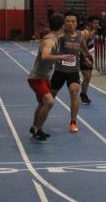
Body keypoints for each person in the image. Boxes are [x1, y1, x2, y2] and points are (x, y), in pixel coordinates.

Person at [27, 13, 76, 141]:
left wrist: (58, 59)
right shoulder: (50, 40)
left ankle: (35, 127)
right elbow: (45, 56)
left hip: (45, 77)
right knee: (49, 102)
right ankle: (38, 130)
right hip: (37, 77)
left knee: (42, 103)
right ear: (62, 26)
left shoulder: (55, 38)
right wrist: (61, 57)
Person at [49, 12, 89, 133]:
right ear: (64, 23)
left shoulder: (80, 35)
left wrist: (86, 57)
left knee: (74, 91)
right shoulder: (60, 35)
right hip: (60, 71)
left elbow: (82, 46)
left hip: (73, 71)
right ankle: (41, 116)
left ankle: (73, 122)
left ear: (76, 23)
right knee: (50, 97)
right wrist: (55, 57)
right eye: (68, 21)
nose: (70, 24)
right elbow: (51, 47)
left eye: (73, 21)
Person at [80, 14, 99, 105]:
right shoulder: (85, 32)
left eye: (97, 23)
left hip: (91, 55)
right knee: (86, 76)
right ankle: (82, 95)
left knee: (88, 77)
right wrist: (85, 58)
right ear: (89, 23)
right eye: (95, 23)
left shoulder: (93, 31)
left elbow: (91, 42)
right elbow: (81, 46)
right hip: (83, 56)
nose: (97, 25)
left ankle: (84, 94)